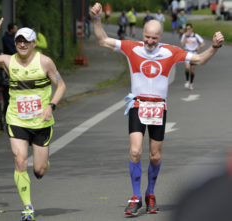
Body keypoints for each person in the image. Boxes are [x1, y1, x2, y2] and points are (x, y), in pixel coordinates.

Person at [91, 2, 224, 217]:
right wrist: (96, 19)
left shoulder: (170, 52)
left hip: (158, 108)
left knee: (154, 155)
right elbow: (102, 39)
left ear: (160, 37)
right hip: (137, 105)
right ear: (142, 34)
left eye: (154, 38)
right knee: (135, 151)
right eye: (147, 36)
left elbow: (199, 59)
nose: (149, 41)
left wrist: (214, 47)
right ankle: (135, 197)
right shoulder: (131, 47)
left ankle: (150, 193)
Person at [0, 18, 66, 221]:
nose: (22, 44)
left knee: (39, 169)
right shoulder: (7, 60)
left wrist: (51, 106)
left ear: (33, 43)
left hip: (41, 122)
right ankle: (27, 206)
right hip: (17, 120)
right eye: (18, 41)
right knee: (20, 160)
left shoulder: (45, 62)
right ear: (15, 43)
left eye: (26, 41)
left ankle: (43, 163)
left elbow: (62, 86)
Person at [180, 23, 205, 90]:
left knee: (192, 70)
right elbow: (182, 45)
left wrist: (199, 47)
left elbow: (203, 43)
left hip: (194, 54)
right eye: (187, 29)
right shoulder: (184, 35)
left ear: (192, 29)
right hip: (187, 53)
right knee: (187, 68)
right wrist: (185, 37)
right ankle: (187, 81)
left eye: (189, 29)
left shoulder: (195, 35)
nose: (188, 30)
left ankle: (191, 83)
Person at [1, 23, 18, 118]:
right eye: (15, 28)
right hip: (10, 61)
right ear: (11, 29)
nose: (17, 30)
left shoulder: (14, 37)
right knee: (7, 81)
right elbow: (10, 49)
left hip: (15, 60)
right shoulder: (6, 38)